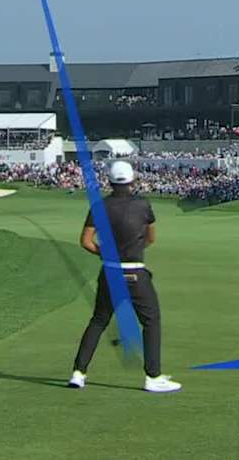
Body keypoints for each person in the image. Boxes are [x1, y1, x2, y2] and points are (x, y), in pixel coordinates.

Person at [67, 161, 181, 394]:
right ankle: (153, 376)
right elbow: (150, 238)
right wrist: (133, 250)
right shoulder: (143, 204)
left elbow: (86, 241)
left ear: (109, 181)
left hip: (110, 272)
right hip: (135, 271)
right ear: (132, 180)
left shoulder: (100, 206)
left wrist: (106, 254)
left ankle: (78, 373)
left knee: (99, 321)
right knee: (151, 321)